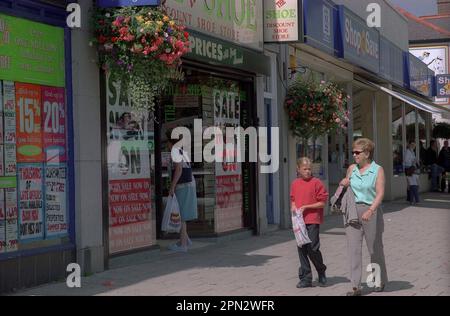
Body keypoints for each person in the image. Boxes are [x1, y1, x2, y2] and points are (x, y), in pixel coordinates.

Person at [340, 138, 388, 296]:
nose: (354, 155)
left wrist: (371, 210)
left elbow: (380, 193)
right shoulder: (352, 168)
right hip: (352, 211)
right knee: (353, 249)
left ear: (367, 153)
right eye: (353, 152)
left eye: (357, 152)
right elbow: (347, 186)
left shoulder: (377, 170)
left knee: (374, 249)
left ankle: (378, 280)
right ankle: (356, 286)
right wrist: (344, 183)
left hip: (370, 211)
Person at [290, 157, 329, 288]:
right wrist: (293, 206)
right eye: (304, 169)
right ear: (298, 169)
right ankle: (306, 278)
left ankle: (321, 271)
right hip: (299, 222)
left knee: (312, 248)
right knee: (301, 248)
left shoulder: (316, 183)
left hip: (312, 219)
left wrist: (307, 207)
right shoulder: (295, 183)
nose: (307, 171)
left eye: (309, 169)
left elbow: (322, 203)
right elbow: (293, 199)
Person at [166, 130, 198, 252]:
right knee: (182, 212)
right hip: (189, 184)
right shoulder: (182, 151)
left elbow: (178, 169)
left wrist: (172, 186)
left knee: (182, 215)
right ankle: (185, 239)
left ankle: (183, 245)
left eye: (167, 142)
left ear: (171, 142)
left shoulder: (175, 151)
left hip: (183, 186)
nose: (166, 145)